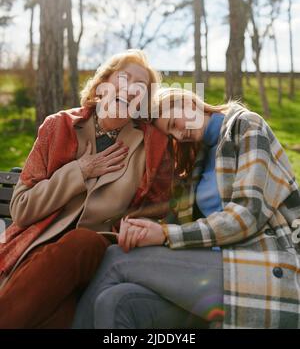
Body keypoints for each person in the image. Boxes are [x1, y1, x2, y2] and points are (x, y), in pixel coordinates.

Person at [73, 87, 300, 329]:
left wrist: (165, 234)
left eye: (173, 123)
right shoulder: (200, 161)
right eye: (171, 134)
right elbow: (176, 225)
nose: (179, 136)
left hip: (266, 271)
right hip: (217, 272)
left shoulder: (245, 125)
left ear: (187, 102)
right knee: (116, 301)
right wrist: (140, 229)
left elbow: (247, 215)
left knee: (117, 259)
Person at [0, 50, 172, 329]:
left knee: (82, 242)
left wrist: (138, 227)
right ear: (104, 82)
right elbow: (21, 208)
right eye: (124, 78)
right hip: (38, 251)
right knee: (57, 317)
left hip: (100, 254)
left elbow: (156, 210)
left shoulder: (151, 146)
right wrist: (80, 171)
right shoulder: (58, 127)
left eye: (140, 88)